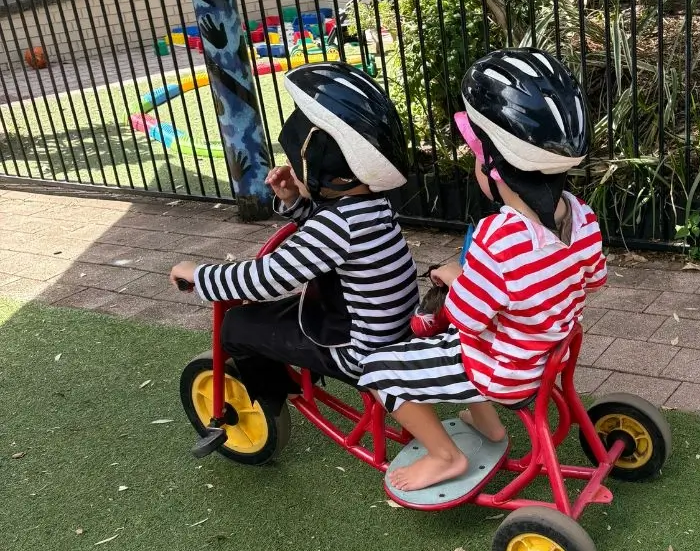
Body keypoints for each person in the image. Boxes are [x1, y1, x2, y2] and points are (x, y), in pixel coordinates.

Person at [358, 49, 607, 492]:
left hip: (504, 370)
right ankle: (487, 426)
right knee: (460, 342)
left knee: (377, 369)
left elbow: (466, 319)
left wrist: (455, 277)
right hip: (546, 352)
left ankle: (445, 456)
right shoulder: (582, 215)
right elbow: (594, 278)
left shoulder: (500, 237)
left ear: (493, 167)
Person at [169, 63, 419, 405]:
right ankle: (297, 373)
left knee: (237, 324)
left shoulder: (337, 225)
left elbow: (268, 278)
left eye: (296, 163)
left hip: (357, 350)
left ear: (322, 170)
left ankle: (273, 397)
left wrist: (199, 275)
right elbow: (330, 243)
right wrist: (294, 201)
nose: (289, 169)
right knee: (286, 311)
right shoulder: (372, 204)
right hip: (389, 330)